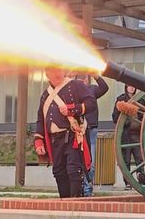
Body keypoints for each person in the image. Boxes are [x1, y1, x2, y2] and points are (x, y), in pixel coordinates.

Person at [34, 66, 96, 198]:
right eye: (54, 71)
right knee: (59, 172)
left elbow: (91, 103)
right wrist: (39, 140)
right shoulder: (46, 95)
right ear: (47, 74)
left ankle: (76, 204)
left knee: (74, 170)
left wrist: (73, 109)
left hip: (72, 135)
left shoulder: (76, 85)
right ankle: (65, 203)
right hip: (55, 140)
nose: (57, 74)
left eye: (59, 70)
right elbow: (40, 119)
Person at [75, 75, 109, 197]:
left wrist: (96, 75)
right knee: (77, 162)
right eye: (81, 77)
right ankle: (80, 189)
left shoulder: (93, 89)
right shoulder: (74, 90)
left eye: (85, 77)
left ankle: (88, 190)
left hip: (92, 129)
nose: (83, 79)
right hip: (78, 130)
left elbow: (104, 88)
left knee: (91, 162)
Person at [112, 85, 145, 190]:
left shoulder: (140, 100)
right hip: (126, 134)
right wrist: (126, 121)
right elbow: (115, 117)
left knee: (139, 158)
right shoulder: (121, 99)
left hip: (137, 134)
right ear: (126, 87)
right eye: (129, 86)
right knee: (125, 159)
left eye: (133, 86)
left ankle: (141, 178)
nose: (132, 88)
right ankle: (127, 182)